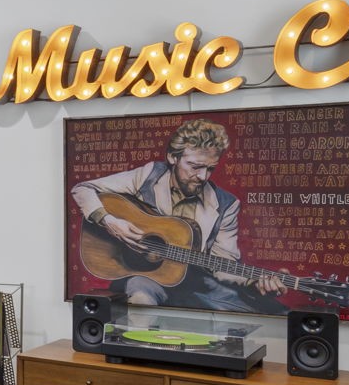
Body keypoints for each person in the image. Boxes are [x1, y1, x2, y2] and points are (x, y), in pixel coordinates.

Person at [69, 117, 288, 314]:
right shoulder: (148, 175)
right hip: (145, 276)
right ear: (173, 157)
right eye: (195, 166)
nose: (203, 176)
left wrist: (253, 282)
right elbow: (83, 189)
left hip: (197, 282)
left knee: (274, 313)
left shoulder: (226, 204)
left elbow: (223, 265)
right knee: (141, 297)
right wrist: (110, 222)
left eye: (210, 169)